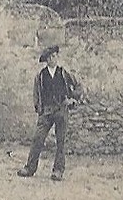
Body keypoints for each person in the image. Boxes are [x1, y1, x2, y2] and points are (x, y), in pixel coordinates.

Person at [16, 44, 81, 181]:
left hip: (61, 110)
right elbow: (36, 94)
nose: (53, 59)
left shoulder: (64, 73)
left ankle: (58, 171)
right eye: (50, 57)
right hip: (46, 112)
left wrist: (72, 99)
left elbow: (78, 86)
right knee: (37, 139)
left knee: (60, 142)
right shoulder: (40, 76)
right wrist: (39, 108)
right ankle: (30, 168)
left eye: (55, 56)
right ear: (46, 60)